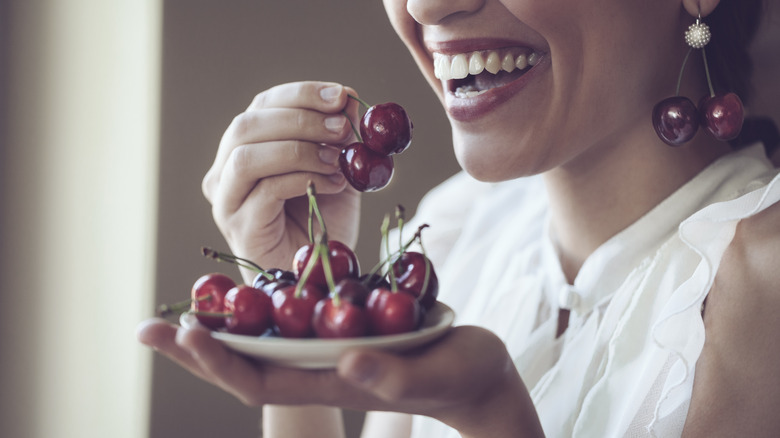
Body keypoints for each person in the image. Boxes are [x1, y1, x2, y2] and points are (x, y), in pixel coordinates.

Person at [137, 0, 780, 436]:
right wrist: (300, 304)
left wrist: (492, 414)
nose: (425, 5)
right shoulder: (454, 229)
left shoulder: (766, 285)